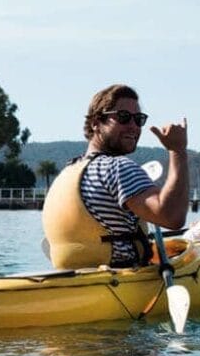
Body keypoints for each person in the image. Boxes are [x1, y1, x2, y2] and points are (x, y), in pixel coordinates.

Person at [41, 84, 189, 269]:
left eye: (138, 119)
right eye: (123, 117)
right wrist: (178, 151)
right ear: (96, 122)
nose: (133, 126)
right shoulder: (117, 168)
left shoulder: (68, 172)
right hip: (118, 284)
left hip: (76, 279)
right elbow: (172, 217)